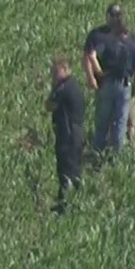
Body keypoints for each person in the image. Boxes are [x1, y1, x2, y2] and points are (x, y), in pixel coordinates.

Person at [83, 3, 135, 154]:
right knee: (105, 121)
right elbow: (88, 56)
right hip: (106, 83)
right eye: (112, 15)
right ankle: (100, 153)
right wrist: (92, 76)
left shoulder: (131, 40)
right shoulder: (97, 35)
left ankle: (113, 156)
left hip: (123, 84)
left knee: (120, 123)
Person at [46, 57, 86, 208]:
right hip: (75, 131)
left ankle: (67, 203)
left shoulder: (64, 87)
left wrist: (53, 88)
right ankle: (70, 201)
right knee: (74, 166)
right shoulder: (74, 85)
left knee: (66, 167)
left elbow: (49, 105)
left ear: (64, 69)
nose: (53, 75)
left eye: (55, 72)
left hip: (68, 133)